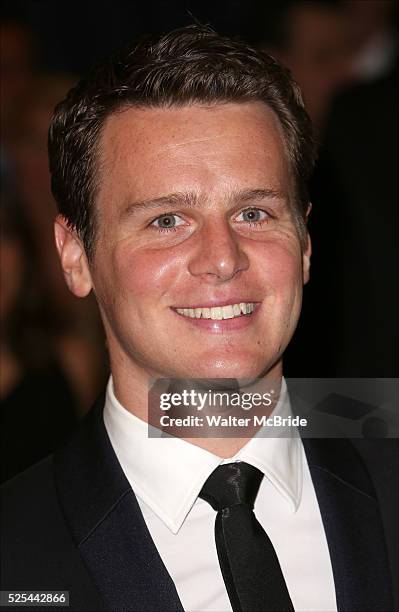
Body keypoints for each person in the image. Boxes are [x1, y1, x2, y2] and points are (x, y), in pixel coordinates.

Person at [1, 25, 397, 612]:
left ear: (306, 242)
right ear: (75, 255)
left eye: (255, 212)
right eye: (167, 221)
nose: (222, 258)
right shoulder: (15, 554)